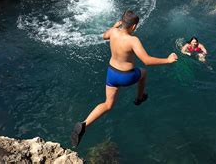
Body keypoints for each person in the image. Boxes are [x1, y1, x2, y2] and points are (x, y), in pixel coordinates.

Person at [70, 10, 178, 147]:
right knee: (143, 72)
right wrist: (167, 60)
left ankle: (84, 124)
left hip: (111, 73)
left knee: (108, 104)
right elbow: (147, 61)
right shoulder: (133, 40)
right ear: (133, 27)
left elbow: (104, 36)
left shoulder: (113, 32)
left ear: (122, 22)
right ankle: (139, 98)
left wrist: (114, 26)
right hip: (126, 76)